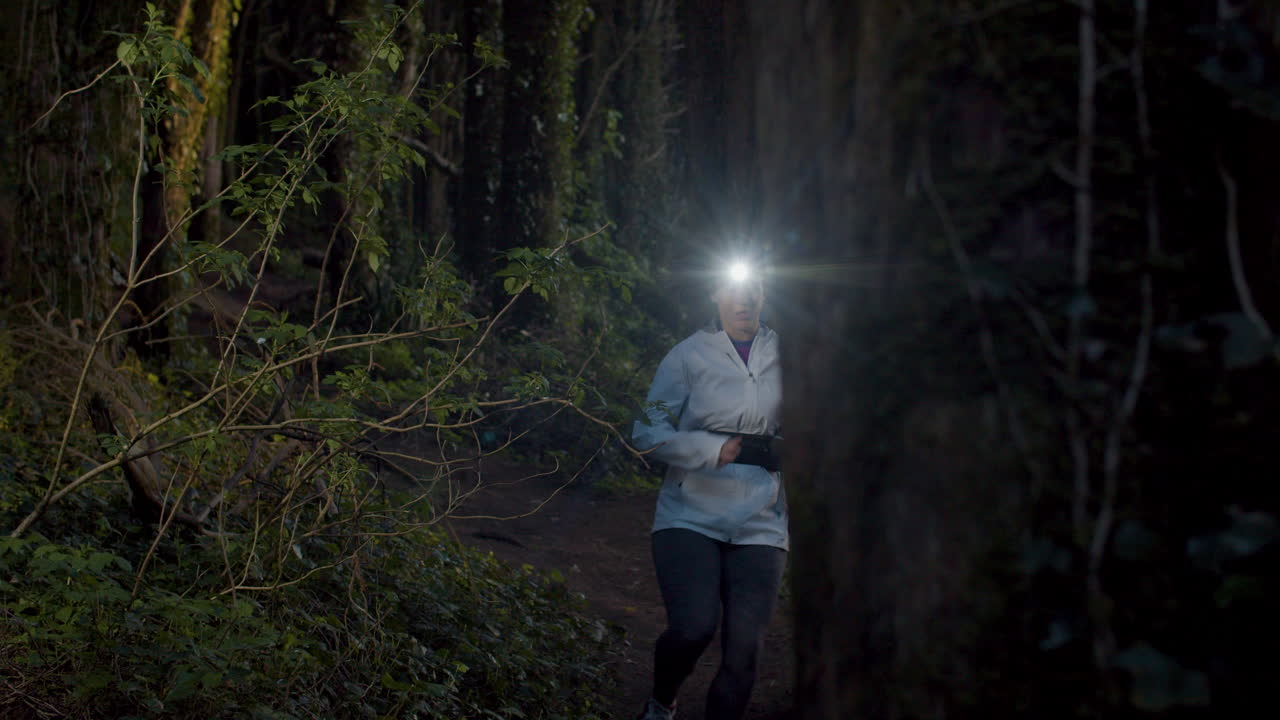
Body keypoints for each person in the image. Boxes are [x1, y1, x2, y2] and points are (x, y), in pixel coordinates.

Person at [630, 262, 787, 720]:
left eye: (754, 289)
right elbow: (647, 428)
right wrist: (711, 449)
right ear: (715, 295)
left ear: (764, 295)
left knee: (745, 650)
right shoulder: (685, 355)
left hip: (763, 518)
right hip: (689, 514)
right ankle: (661, 703)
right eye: (735, 291)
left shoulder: (789, 355)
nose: (745, 300)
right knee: (694, 627)